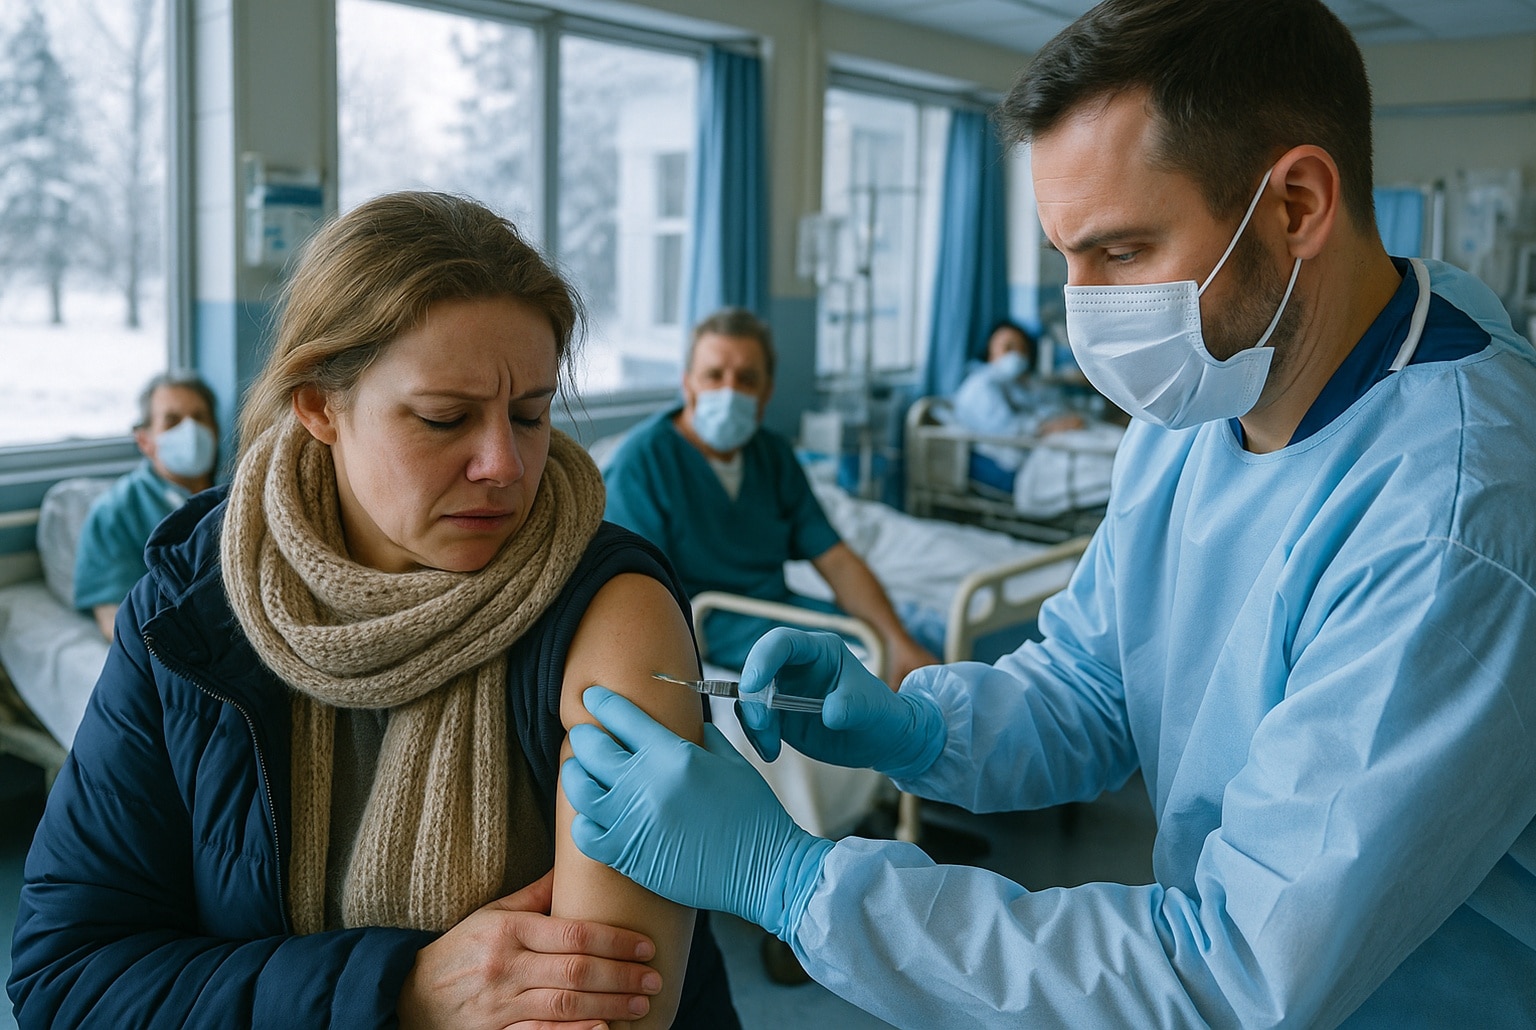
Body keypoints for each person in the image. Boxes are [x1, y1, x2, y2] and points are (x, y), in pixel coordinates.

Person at [558, 1, 1536, 1026]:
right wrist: (920, 725)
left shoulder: (1452, 524)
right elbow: (1094, 682)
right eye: (1065, 256)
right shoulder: (1209, 387)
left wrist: (797, 884)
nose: (1084, 316)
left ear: (1296, 205)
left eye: (1120, 254)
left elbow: (1232, 974)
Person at [8, 192, 739, 1029]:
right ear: (319, 405)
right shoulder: (189, 610)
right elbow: (67, 978)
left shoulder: (613, 607)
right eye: (444, 418)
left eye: (531, 415)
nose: (503, 464)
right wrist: (402, 992)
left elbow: (609, 1012)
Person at [603, 306, 939, 686]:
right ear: (688, 383)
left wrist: (896, 640)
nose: (729, 391)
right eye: (714, 375)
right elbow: (636, 593)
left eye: (747, 378)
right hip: (706, 621)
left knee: (890, 640)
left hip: (778, 606)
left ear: (766, 392)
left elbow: (836, 559)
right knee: (855, 671)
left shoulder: (773, 456)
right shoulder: (643, 463)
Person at [73, 371, 219, 639]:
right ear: (144, 440)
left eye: (199, 418)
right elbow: (115, 621)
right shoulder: (114, 513)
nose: (191, 431)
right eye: (172, 421)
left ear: (215, 431)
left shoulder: (238, 494)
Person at [950, 320, 1090, 495]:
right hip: (1017, 460)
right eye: (1008, 348)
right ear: (989, 352)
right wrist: (1052, 427)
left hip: (1046, 446)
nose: (1016, 355)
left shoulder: (1022, 385)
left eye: (1022, 349)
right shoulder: (980, 386)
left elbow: (1047, 410)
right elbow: (1006, 430)